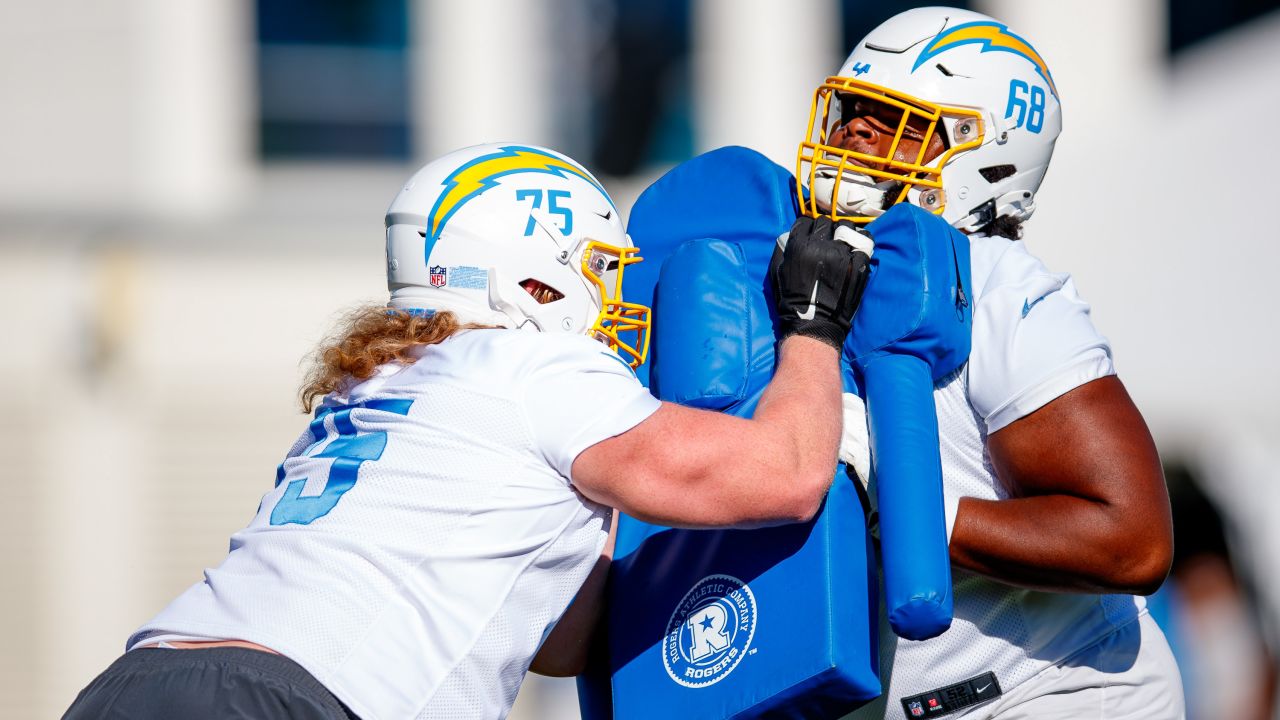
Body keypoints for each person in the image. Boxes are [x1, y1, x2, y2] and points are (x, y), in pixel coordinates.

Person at [62, 143, 870, 720]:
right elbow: (791, 476)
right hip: (292, 697)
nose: (616, 298)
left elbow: (558, 641)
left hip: (137, 682)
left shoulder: (376, 382)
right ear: (534, 277)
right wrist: (813, 324)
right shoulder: (531, 369)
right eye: (597, 268)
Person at [793, 8, 1183, 719]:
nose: (854, 133)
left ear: (986, 153)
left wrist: (906, 505)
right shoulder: (816, 268)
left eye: (892, 120)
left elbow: (1132, 539)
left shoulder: (996, 282)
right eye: (850, 112)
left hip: (1056, 693)